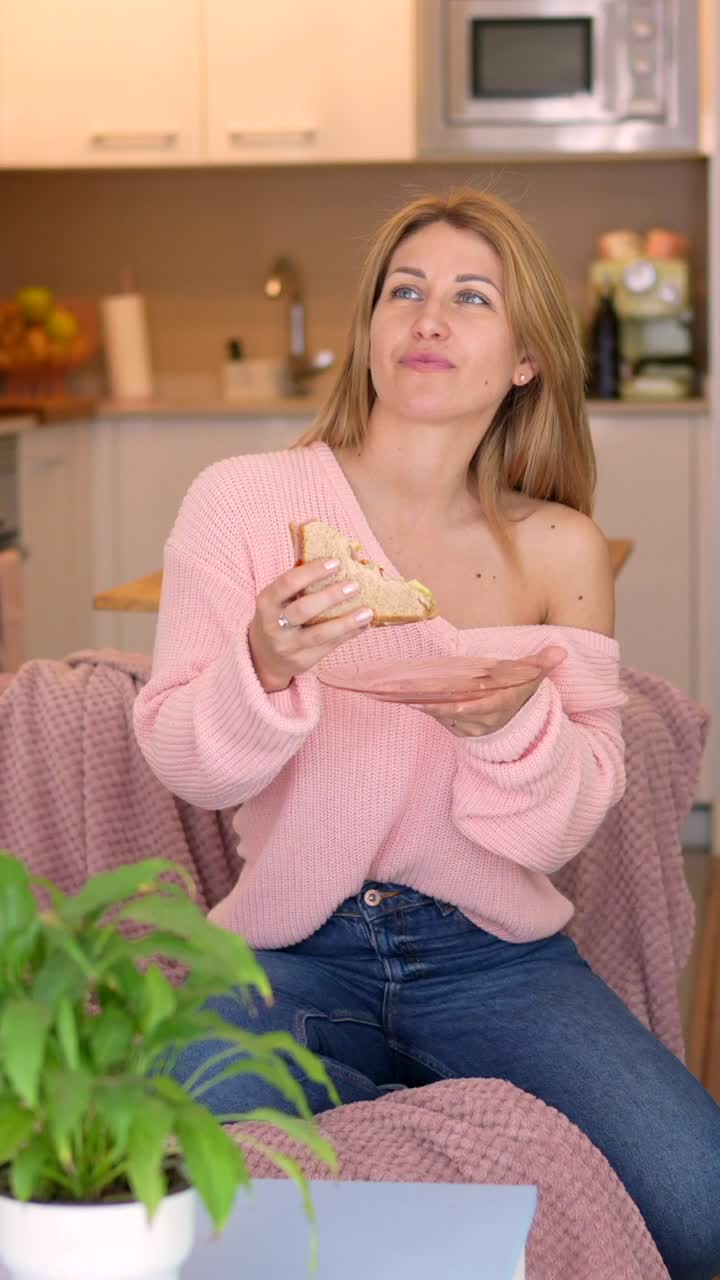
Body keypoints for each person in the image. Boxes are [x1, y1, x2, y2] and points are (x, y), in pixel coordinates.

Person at [134, 189, 720, 1280]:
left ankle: (398, 1106)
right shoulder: (244, 501)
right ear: (368, 333)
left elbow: (572, 814)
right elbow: (182, 758)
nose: (428, 316)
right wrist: (263, 664)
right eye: (404, 290)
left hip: (494, 956)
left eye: (469, 296)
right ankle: (407, 1117)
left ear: (528, 357)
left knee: (702, 1211)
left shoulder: (562, 548)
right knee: (208, 1223)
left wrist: (513, 727)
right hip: (280, 950)